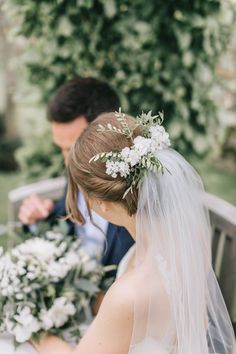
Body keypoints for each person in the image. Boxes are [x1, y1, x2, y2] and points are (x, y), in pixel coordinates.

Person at [29, 110, 235, 354]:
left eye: (83, 194)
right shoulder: (186, 238)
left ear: (102, 204)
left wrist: (35, 330)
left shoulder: (128, 296)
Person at [17, 77, 134, 275]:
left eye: (73, 150)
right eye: (62, 150)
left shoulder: (136, 197)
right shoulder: (76, 172)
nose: (67, 162)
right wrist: (37, 218)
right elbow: (66, 218)